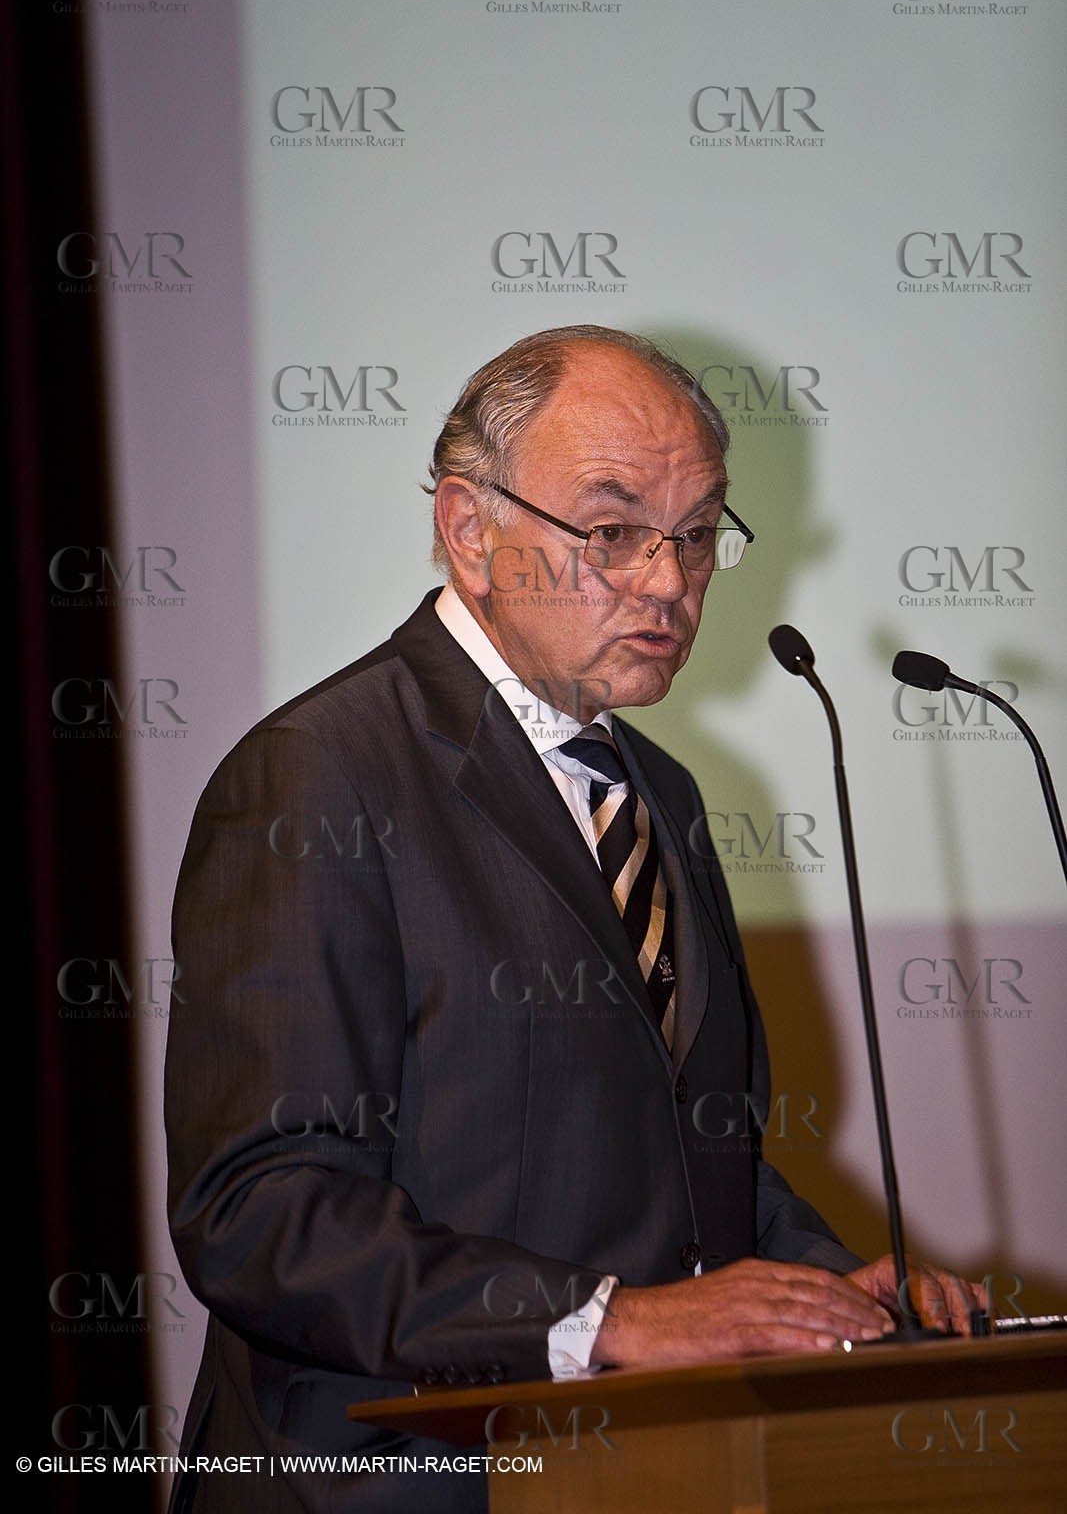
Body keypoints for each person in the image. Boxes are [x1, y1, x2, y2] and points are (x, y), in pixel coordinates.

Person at [164, 326, 980, 1512]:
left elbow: (691, 1153)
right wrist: (605, 1323)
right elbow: (261, 1211)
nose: (667, 580)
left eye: (696, 535)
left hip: (634, 1476)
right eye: (611, 530)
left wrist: (826, 1281)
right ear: (468, 530)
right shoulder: (317, 776)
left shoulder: (663, 793)